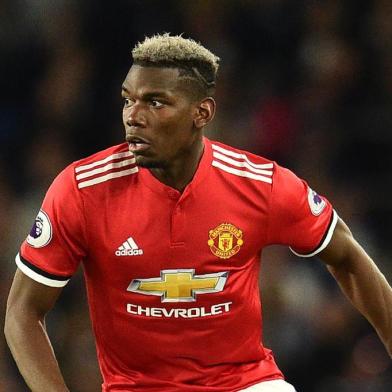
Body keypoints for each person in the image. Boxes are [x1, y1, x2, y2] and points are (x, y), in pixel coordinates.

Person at [4, 33, 392, 392]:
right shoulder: (82, 189)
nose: (133, 116)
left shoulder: (261, 184)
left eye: (155, 102)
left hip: (246, 384)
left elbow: (347, 257)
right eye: (127, 99)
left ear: (202, 113)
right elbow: (22, 313)